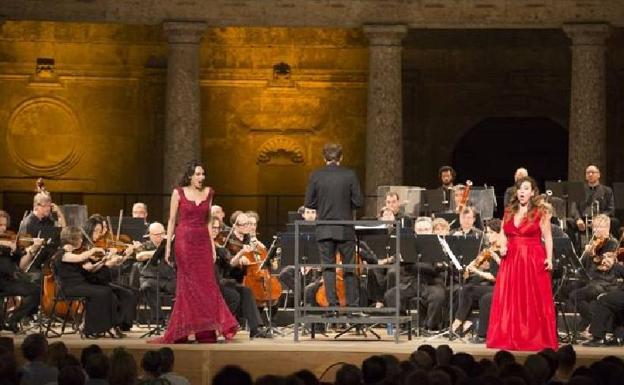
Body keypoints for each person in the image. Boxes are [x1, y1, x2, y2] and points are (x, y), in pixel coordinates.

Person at [152, 161, 238, 343]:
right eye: (198, 174)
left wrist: (212, 245)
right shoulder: (178, 192)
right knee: (188, 286)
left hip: (202, 243)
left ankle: (205, 331)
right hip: (184, 242)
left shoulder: (209, 192)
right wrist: (168, 246)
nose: (201, 177)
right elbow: (172, 220)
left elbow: (208, 222)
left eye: (203, 174)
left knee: (207, 285)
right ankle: (183, 330)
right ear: (190, 176)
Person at [487, 176, 558, 351]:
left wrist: (549, 258)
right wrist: (503, 245)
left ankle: (532, 338)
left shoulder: (540, 211)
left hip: (533, 259)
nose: (522, 192)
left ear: (533, 192)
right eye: (519, 189)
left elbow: (547, 237)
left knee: (531, 299)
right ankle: (509, 336)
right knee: (510, 298)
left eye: (526, 188)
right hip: (511, 259)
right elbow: (503, 233)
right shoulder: (509, 210)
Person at [304, 143, 364, 317]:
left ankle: (332, 307)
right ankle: (352, 307)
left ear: (324, 158)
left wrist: (322, 204)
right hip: (345, 227)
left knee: (328, 268)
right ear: (341, 158)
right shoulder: (350, 175)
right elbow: (359, 202)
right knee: (349, 267)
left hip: (324, 228)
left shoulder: (316, 175)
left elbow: (309, 202)